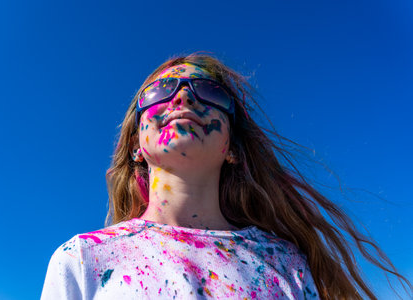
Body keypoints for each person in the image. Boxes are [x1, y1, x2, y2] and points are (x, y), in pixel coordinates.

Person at [41, 53, 411, 299]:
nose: (183, 98)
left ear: (232, 147)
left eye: (207, 90)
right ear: (137, 143)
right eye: (162, 90)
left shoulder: (285, 264)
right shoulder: (84, 260)